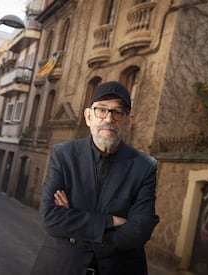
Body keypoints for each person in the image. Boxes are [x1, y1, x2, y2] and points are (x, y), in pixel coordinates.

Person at [31, 81, 160, 275]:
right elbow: (50, 217)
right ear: (88, 116)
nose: (109, 118)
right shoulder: (63, 155)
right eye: (101, 110)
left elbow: (139, 230)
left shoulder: (144, 166)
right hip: (61, 267)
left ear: (128, 121)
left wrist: (76, 231)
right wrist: (109, 222)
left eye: (118, 112)